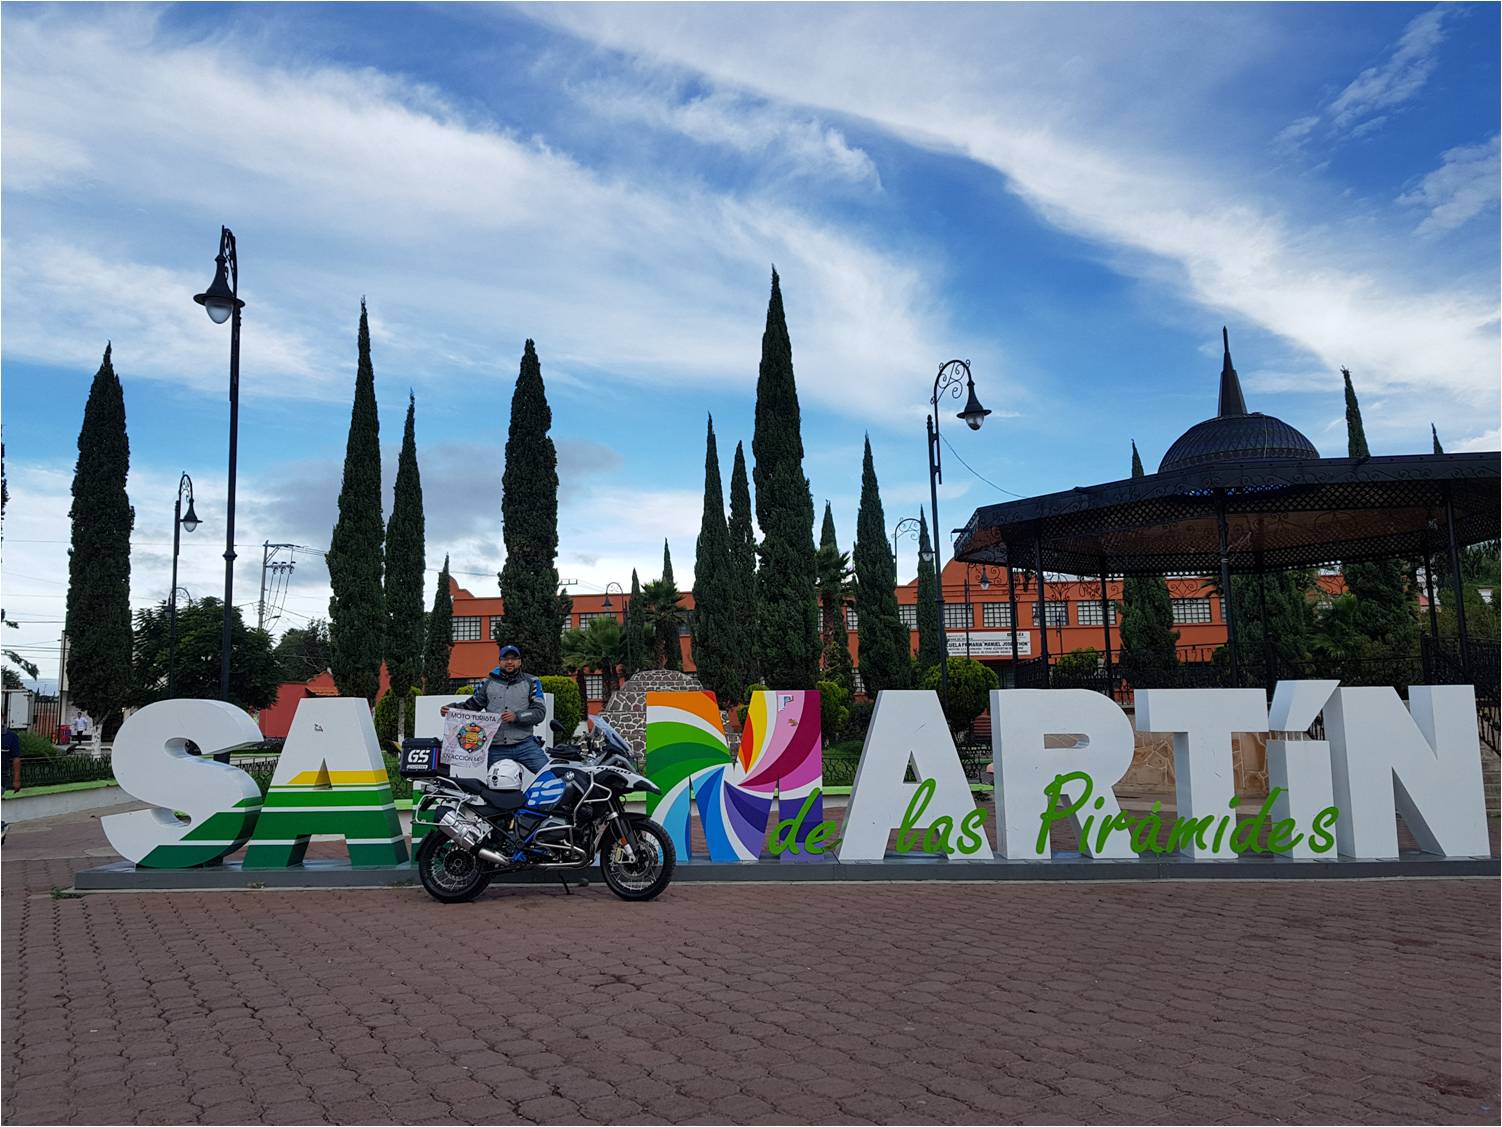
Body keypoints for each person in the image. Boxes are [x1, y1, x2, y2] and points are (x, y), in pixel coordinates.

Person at [440, 644, 548, 775]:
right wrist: (451, 709)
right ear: (499, 661)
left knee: (549, 776)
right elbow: (472, 706)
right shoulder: (487, 683)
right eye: (505, 658)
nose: (509, 662)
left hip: (526, 745)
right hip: (497, 748)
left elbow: (539, 712)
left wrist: (517, 716)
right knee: (496, 787)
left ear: (520, 661)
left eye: (514, 658)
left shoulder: (532, 682)